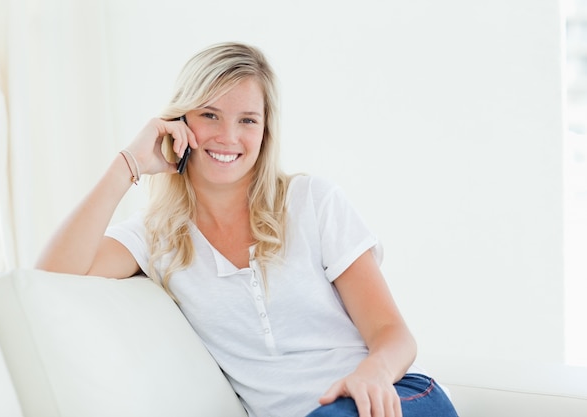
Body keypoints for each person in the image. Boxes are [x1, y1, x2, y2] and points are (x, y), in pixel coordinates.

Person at [36, 41, 459, 417]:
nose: (228, 136)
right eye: (210, 115)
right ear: (180, 122)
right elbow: (49, 278)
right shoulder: (158, 236)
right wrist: (128, 163)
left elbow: (393, 334)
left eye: (247, 120)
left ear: (265, 130)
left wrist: (371, 375)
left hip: (391, 400)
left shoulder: (312, 202)